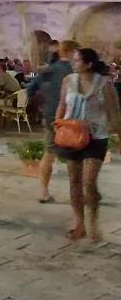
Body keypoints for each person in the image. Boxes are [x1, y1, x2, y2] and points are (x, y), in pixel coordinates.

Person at [54, 48, 121, 241]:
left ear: (89, 64)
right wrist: (57, 123)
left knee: (89, 182)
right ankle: (79, 224)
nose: (73, 63)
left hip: (95, 137)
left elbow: (113, 112)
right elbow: (62, 104)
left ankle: (93, 222)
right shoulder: (68, 81)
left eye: (76, 60)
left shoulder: (104, 84)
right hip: (70, 135)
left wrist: (118, 135)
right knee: (74, 181)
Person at [32, 40, 77, 203]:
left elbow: (31, 88)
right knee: (75, 156)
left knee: (49, 152)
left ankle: (43, 191)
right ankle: (78, 193)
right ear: (72, 52)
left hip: (51, 115)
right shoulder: (73, 70)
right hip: (71, 118)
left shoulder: (48, 70)